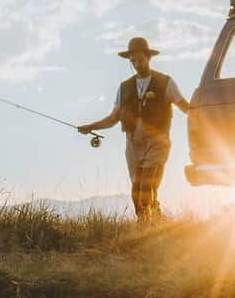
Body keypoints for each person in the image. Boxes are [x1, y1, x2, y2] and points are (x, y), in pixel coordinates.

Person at [78, 36, 189, 220]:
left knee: (145, 185)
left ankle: (147, 221)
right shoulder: (124, 87)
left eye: (139, 59)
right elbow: (113, 118)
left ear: (148, 57)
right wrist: (91, 126)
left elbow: (185, 107)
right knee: (137, 189)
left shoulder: (165, 82)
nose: (136, 63)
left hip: (157, 143)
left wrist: (206, 115)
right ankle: (150, 221)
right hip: (133, 146)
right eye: (132, 60)